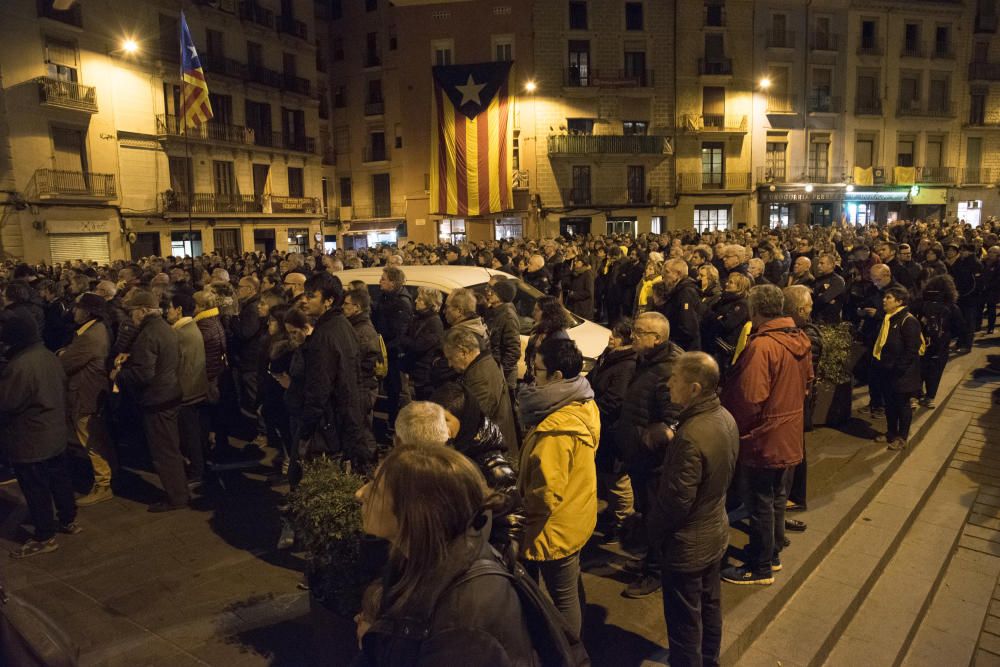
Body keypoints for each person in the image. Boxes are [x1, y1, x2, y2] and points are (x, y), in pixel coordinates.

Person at [354, 446, 536, 665]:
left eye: (376, 489)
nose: (360, 493)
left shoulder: (463, 622)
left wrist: (375, 645)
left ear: (416, 512)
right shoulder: (417, 560)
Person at [646, 352, 738, 667]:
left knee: (684, 620)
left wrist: (651, 531)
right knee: (710, 606)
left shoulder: (690, 436)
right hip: (714, 532)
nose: (669, 384)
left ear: (695, 389)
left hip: (688, 544)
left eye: (675, 379)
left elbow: (676, 502)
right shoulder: (725, 418)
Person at [721, 284, 812, 585]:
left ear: (755, 310)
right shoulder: (799, 337)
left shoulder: (762, 346)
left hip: (764, 436)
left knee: (759, 501)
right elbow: (808, 382)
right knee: (775, 497)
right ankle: (771, 554)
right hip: (788, 431)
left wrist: (738, 430)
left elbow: (749, 397)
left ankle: (759, 567)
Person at [516, 337, 599, 636]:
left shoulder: (556, 429)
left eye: (537, 370)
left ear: (557, 376)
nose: (530, 374)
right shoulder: (583, 402)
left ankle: (570, 652)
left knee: (562, 598)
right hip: (576, 513)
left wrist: (522, 519)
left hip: (553, 527)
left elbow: (545, 492)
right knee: (570, 586)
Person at [613, 311, 682, 598]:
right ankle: (649, 561)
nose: (633, 336)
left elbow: (672, 418)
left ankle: (655, 572)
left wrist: (652, 438)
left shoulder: (667, 371)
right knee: (646, 514)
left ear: (657, 339)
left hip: (655, 464)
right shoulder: (646, 361)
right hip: (640, 457)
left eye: (640, 332)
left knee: (655, 518)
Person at [0, 311, 79, 558]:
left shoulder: (21, 365)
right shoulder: (47, 355)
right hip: (54, 431)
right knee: (59, 479)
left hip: (31, 437)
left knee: (35, 488)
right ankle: (68, 519)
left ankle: (44, 536)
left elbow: (8, 402)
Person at [113, 290, 190, 512]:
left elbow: (143, 374)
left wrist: (119, 373)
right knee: (171, 448)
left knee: (164, 452)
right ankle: (179, 491)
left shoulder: (148, 333)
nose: (131, 317)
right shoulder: (164, 328)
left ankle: (176, 497)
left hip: (158, 398)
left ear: (144, 310)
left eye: (133, 312)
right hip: (169, 393)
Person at [297, 272, 371, 472]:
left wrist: (305, 429)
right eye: (304, 294)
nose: (304, 300)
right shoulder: (341, 325)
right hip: (343, 420)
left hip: (329, 425)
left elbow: (319, 388)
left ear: (329, 301)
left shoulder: (325, 335)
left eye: (311, 296)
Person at [59, 292, 114, 506]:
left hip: (85, 393)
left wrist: (63, 354)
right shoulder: (94, 330)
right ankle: (109, 475)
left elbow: (66, 362)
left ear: (88, 311)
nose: (74, 311)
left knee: (91, 440)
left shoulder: (90, 336)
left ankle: (103, 485)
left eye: (78, 307)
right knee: (98, 436)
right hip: (90, 391)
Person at [587, 319, 638, 543]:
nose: (610, 338)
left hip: (614, 430)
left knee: (617, 478)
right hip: (603, 426)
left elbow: (615, 399)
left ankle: (624, 523)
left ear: (626, 340)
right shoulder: (610, 356)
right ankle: (612, 513)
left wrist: (593, 409)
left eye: (616, 335)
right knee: (606, 474)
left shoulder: (627, 365)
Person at [443, 327, 519, 458]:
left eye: (451, 358)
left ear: (463, 352)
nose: (449, 364)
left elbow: (474, 420)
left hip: (493, 454)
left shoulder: (481, 376)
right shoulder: (481, 366)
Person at [166, 292, 210, 487]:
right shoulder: (191, 327)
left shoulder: (180, 333)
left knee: (190, 435)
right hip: (195, 388)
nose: (166, 311)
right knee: (195, 433)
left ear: (179, 310)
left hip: (187, 391)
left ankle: (196, 471)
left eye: (169, 308)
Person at [872, 286, 923, 451]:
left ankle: (902, 437)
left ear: (899, 302)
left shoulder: (908, 321)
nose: (884, 300)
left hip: (902, 374)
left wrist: (898, 368)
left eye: (889, 298)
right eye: (885, 297)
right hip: (887, 370)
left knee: (902, 405)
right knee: (890, 404)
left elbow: (912, 349)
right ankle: (891, 432)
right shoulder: (889, 319)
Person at [374, 267, 413, 429]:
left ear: (393, 282)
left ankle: (397, 424)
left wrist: (385, 349)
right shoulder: (385, 297)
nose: (380, 281)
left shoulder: (401, 303)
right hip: (387, 352)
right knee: (391, 390)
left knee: (396, 391)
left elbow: (399, 334)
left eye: (383, 279)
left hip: (393, 355)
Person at [343, 288, 382, 427]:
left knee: (361, 430)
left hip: (362, 388)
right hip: (360, 387)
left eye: (346, 303)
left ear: (357, 307)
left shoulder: (363, 331)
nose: (343, 306)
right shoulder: (355, 326)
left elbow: (363, 363)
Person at [400, 286, 445, 401]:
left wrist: (405, 340)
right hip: (416, 373)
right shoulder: (418, 318)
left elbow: (417, 346)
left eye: (420, 299)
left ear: (429, 304)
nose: (415, 301)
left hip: (425, 377)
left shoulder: (434, 323)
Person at [656, 259, 702, 351]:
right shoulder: (677, 292)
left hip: (683, 349)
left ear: (678, 274)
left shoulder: (686, 293)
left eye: (667, 272)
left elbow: (688, 327)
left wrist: (671, 344)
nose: (662, 276)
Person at [483, 280, 521, 390]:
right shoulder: (493, 311)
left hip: (503, 378)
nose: (489, 293)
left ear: (501, 296)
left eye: (493, 292)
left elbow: (513, 351)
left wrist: (500, 373)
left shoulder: (508, 317)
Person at [812, 252, 846, 324]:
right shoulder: (818, 279)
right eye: (818, 263)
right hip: (816, 318)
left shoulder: (837, 281)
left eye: (822, 263)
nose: (818, 266)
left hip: (829, 322)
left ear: (830, 265)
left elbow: (823, 299)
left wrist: (817, 297)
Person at [565, 255, 595, 320]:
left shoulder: (587, 274)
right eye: (574, 261)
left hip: (583, 309)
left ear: (583, 262)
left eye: (577, 261)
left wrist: (574, 294)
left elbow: (588, 292)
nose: (575, 263)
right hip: (574, 306)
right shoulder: (575, 273)